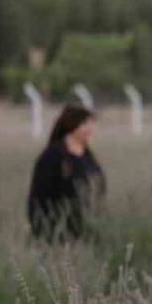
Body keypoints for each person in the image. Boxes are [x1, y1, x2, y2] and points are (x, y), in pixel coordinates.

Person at [27, 103, 106, 242]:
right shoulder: (53, 155)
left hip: (84, 225)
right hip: (57, 227)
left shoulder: (87, 155)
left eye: (91, 124)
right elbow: (39, 194)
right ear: (71, 125)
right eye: (85, 124)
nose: (90, 129)